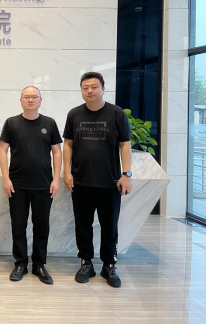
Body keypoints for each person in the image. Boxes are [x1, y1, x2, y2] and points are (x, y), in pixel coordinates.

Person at [63, 72, 132, 288]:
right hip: (81, 181)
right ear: (81, 90)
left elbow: (125, 144)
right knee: (82, 225)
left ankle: (109, 265)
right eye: (85, 88)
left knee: (109, 226)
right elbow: (68, 144)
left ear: (103, 89)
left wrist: (126, 174)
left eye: (94, 87)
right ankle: (86, 263)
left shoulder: (116, 113)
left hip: (110, 182)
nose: (90, 91)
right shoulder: (74, 114)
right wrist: (67, 172)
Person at [0, 86, 62, 285]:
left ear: (40, 100)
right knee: (18, 225)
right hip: (17, 184)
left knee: (41, 226)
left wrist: (56, 179)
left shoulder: (49, 123)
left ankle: (39, 264)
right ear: (21, 100)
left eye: (34, 97)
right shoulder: (11, 123)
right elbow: (2, 150)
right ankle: (20, 263)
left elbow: (57, 152)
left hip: (44, 184)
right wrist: (6, 178)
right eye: (27, 97)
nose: (31, 100)